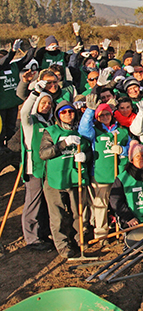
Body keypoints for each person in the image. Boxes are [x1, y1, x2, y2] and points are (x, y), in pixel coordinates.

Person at [39, 101, 92, 258]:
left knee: (79, 211)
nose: (68, 114)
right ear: (58, 115)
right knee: (58, 215)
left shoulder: (80, 131)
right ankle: (63, 245)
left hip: (76, 177)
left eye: (71, 111)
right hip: (55, 179)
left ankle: (78, 239)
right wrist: (62, 144)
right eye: (64, 112)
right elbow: (44, 154)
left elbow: (89, 151)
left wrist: (85, 157)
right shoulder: (51, 132)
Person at [78, 97, 131, 240]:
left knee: (121, 201)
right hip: (101, 174)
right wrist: (90, 110)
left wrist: (123, 150)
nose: (105, 117)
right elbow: (82, 129)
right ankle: (101, 234)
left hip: (119, 173)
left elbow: (132, 148)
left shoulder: (121, 131)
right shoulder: (94, 132)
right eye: (101, 115)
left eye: (107, 114)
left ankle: (123, 229)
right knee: (100, 203)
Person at [18, 79, 53, 251]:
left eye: (48, 103)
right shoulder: (30, 122)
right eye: (43, 103)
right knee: (33, 202)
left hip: (49, 169)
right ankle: (31, 238)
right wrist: (35, 94)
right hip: (34, 170)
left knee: (46, 203)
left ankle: (44, 233)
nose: (46, 106)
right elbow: (24, 112)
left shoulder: (50, 122)